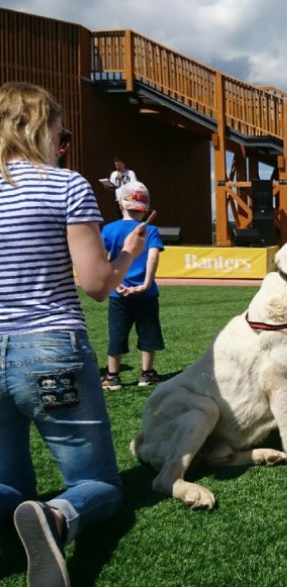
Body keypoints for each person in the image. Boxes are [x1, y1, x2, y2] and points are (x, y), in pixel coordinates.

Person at [0, 82, 146, 587]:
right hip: (49, 345)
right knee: (96, 483)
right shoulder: (65, 185)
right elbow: (96, 284)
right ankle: (59, 517)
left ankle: (25, 519)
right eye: (61, 131)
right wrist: (128, 252)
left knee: (9, 488)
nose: (65, 142)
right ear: (41, 127)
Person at [101, 181, 165, 390]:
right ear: (145, 206)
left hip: (118, 294)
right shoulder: (151, 230)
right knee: (148, 333)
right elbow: (152, 258)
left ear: (121, 204)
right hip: (146, 294)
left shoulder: (109, 229)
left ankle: (113, 376)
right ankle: (146, 374)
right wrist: (146, 284)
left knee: (117, 334)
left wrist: (116, 284)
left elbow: (104, 259)